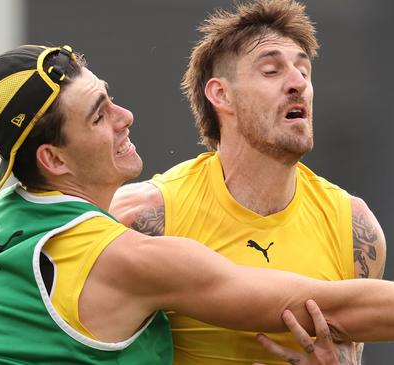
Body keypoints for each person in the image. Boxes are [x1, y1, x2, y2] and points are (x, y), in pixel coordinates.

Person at [0, 44, 394, 365]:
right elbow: (330, 304)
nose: (125, 117)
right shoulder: (128, 250)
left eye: (302, 66)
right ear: (55, 159)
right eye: (100, 115)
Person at [110, 0, 379, 363]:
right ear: (221, 95)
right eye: (271, 71)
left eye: (304, 70)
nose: (299, 83)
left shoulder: (356, 230)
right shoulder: (141, 216)